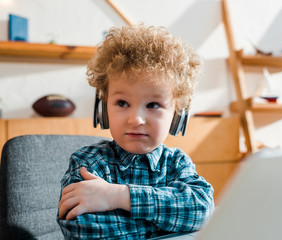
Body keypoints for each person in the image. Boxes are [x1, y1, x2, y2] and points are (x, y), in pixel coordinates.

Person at [57, 24, 214, 239]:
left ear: (177, 115)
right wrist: (167, 223)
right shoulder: (89, 163)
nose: (136, 119)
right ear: (103, 109)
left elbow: (203, 211)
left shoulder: (177, 163)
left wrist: (120, 197)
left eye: (153, 105)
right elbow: (86, 230)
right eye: (122, 103)